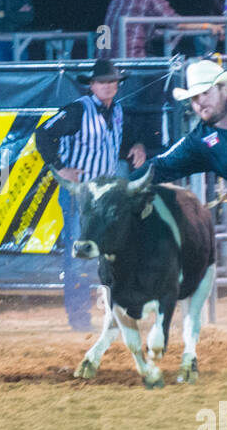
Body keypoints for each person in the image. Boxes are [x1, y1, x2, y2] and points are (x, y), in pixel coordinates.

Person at [35, 58, 147, 331]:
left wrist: (136, 147)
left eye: (112, 82)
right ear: (92, 85)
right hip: (82, 195)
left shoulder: (118, 111)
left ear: (117, 86)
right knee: (79, 257)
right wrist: (61, 167)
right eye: (102, 82)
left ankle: (114, 315)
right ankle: (79, 320)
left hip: (106, 196)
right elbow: (43, 134)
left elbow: (115, 144)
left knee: (111, 254)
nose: (108, 86)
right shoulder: (77, 111)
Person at [130, 59, 227, 240]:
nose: (200, 102)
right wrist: (122, 185)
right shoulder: (200, 142)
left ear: (225, 90)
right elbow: (160, 164)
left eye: (205, 93)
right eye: (194, 97)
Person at [103, 0, 179, 58]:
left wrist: (156, 32)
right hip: (129, 57)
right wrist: (200, 25)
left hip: (103, 59)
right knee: (174, 66)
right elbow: (175, 22)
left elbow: (131, 29)